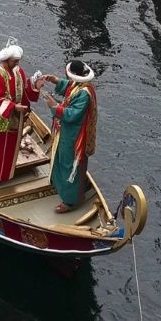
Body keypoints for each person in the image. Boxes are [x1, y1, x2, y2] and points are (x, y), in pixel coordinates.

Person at [0, 39, 45, 185]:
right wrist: (14, 106)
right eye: (14, 61)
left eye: (18, 61)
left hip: (16, 117)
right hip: (0, 117)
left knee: (11, 147)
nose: (17, 64)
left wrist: (35, 87)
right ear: (6, 60)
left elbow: (25, 92)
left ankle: (5, 174)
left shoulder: (18, 71)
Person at [43, 60, 97, 214]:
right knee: (62, 158)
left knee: (70, 163)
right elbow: (69, 86)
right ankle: (61, 186)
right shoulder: (80, 86)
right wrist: (56, 81)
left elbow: (72, 115)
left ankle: (71, 200)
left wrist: (55, 106)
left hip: (75, 135)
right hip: (67, 131)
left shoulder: (85, 94)